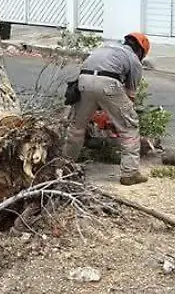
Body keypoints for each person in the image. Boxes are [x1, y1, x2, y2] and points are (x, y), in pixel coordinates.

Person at [64, 32, 150, 186]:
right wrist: (116, 118)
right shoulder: (134, 60)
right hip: (109, 84)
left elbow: (90, 74)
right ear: (141, 51)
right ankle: (130, 173)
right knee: (129, 126)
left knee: (76, 128)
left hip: (83, 81)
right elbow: (130, 96)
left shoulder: (105, 48)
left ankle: (64, 167)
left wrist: (103, 112)